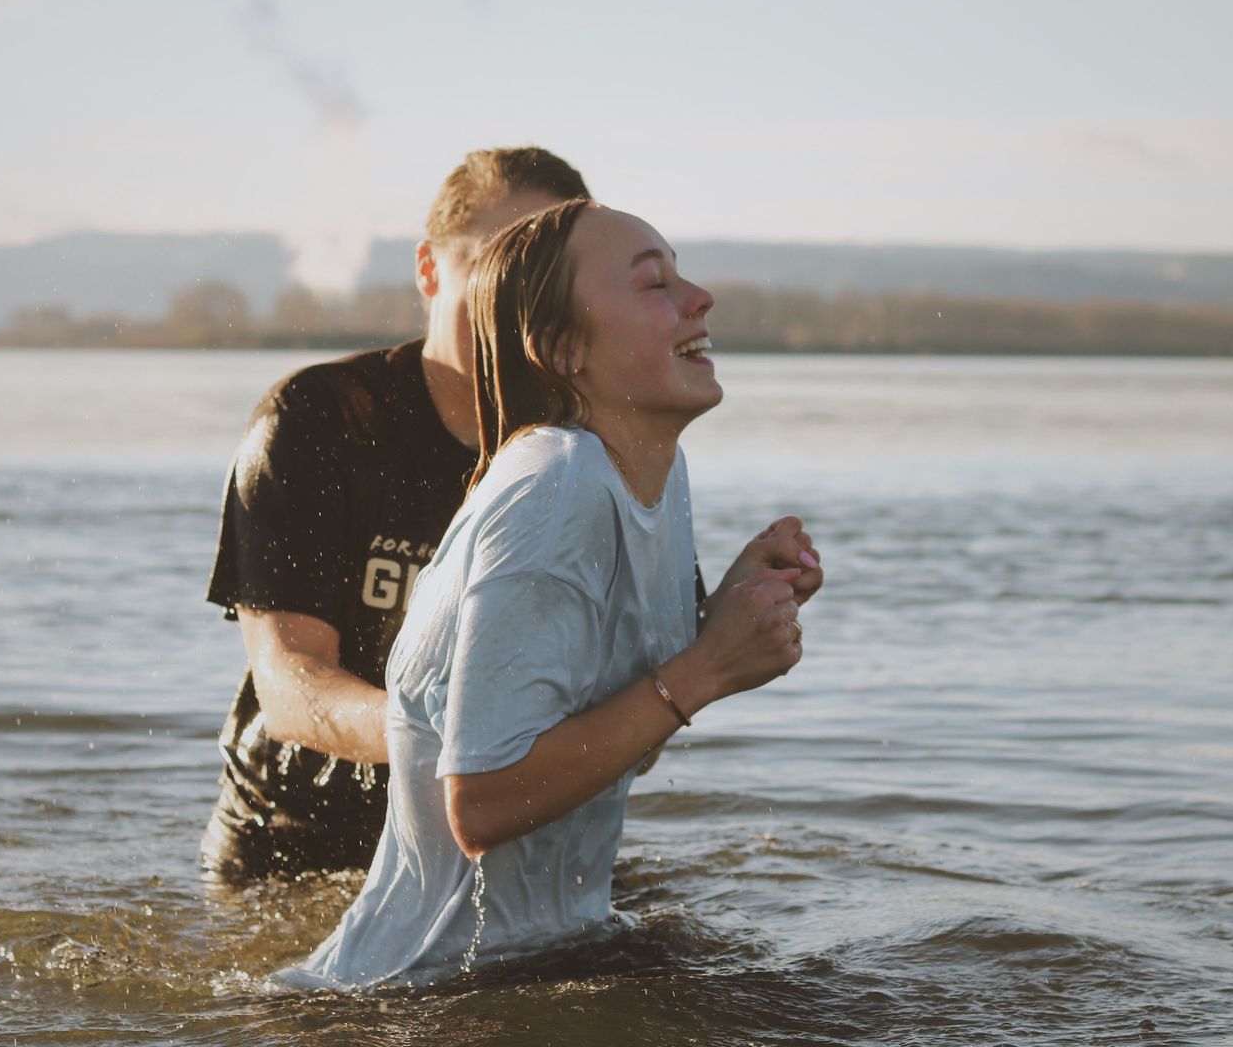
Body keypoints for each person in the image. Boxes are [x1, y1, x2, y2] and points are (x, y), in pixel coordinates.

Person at [203, 148, 822, 881]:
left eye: (541, 278)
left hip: (497, 853)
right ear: (430, 272)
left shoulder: (607, 455)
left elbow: (634, 729)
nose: (520, 301)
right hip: (294, 853)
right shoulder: (320, 420)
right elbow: (290, 689)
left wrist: (722, 620)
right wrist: (470, 740)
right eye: (503, 269)